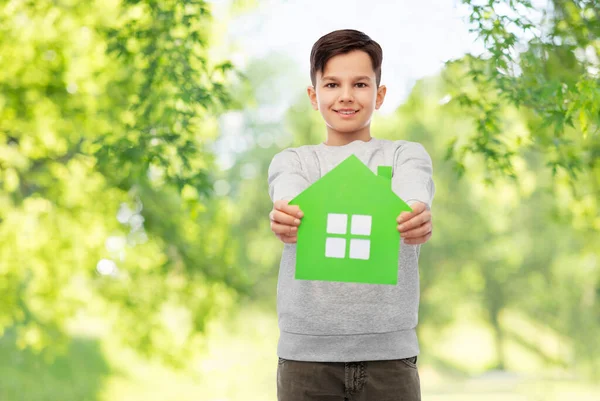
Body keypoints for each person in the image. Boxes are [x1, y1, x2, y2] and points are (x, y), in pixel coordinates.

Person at [267, 29, 435, 401]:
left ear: (380, 94)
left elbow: (414, 191)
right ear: (314, 95)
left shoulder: (403, 155)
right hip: (306, 359)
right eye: (331, 84)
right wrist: (286, 213)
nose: (345, 95)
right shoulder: (296, 161)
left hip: (390, 357)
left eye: (360, 83)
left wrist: (416, 214)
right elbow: (288, 191)